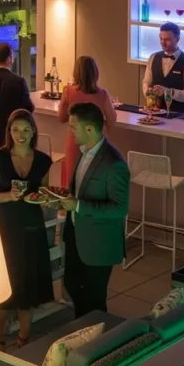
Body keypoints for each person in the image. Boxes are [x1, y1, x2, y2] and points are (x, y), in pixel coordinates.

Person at [0, 109, 55, 348]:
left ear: (33, 131)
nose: (20, 135)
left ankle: (24, 339)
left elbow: (44, 192)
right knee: (4, 288)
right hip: (5, 228)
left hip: (32, 227)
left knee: (28, 289)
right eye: (15, 130)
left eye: (25, 130)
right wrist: (9, 196)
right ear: (9, 132)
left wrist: (45, 198)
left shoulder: (43, 161)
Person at [60, 102, 130, 319]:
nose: (70, 131)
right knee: (72, 284)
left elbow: (120, 208)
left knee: (94, 298)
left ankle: (95, 340)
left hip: (99, 243)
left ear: (89, 129)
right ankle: (80, 331)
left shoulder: (114, 164)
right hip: (75, 234)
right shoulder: (85, 151)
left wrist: (79, 206)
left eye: (73, 127)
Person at [57, 56, 117, 188]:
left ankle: (72, 208)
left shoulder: (68, 91)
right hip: (96, 144)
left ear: (76, 73)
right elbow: (112, 121)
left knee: (74, 183)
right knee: (95, 184)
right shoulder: (103, 94)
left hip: (75, 142)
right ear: (96, 73)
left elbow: (61, 118)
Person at [141, 22, 184, 112]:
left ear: (177, 39)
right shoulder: (153, 57)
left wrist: (167, 92)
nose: (163, 43)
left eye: (167, 40)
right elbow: (146, 81)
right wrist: (147, 90)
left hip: (178, 116)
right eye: (161, 39)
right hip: (154, 113)